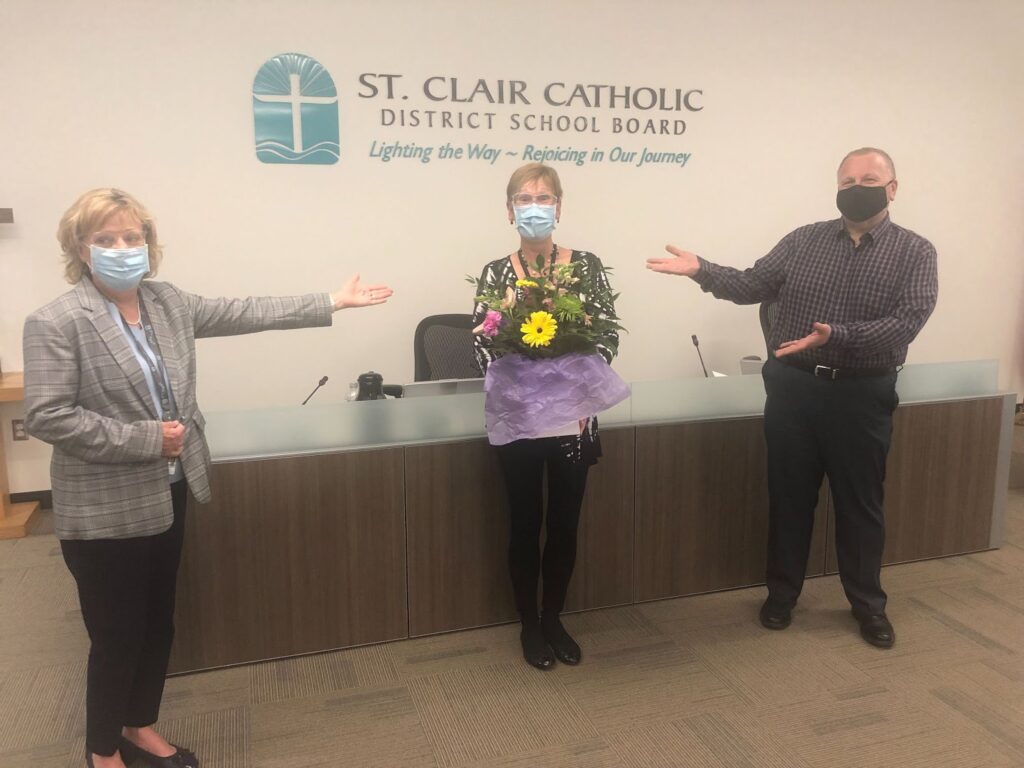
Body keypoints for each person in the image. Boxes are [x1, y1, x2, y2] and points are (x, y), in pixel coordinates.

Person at [23, 188, 393, 768]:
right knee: (116, 634)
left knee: (157, 623)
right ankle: (101, 753)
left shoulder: (166, 301)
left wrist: (332, 301)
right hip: (102, 509)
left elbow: (245, 311)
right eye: (106, 239)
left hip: (168, 493)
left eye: (132, 236)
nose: (123, 248)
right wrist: (149, 439)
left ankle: (140, 725)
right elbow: (48, 416)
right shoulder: (55, 322)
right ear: (80, 246)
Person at [647, 148, 938, 649]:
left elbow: (906, 323)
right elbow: (750, 285)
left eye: (869, 178)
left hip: (862, 394)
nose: (856, 186)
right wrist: (702, 270)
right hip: (794, 390)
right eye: (847, 179)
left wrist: (837, 336)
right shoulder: (803, 240)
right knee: (789, 497)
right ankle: (781, 596)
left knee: (860, 505)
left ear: (892, 188)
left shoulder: (916, 251)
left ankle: (868, 605)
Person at [472, 163, 619, 670]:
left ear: (559, 206)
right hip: (519, 422)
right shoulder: (495, 273)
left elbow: (606, 339)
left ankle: (553, 615)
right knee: (523, 521)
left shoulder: (588, 266)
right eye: (523, 196)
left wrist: (563, 381)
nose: (534, 205)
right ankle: (528, 624)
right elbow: (482, 347)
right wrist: (526, 374)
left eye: (544, 196)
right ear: (509, 208)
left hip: (573, 422)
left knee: (563, 522)